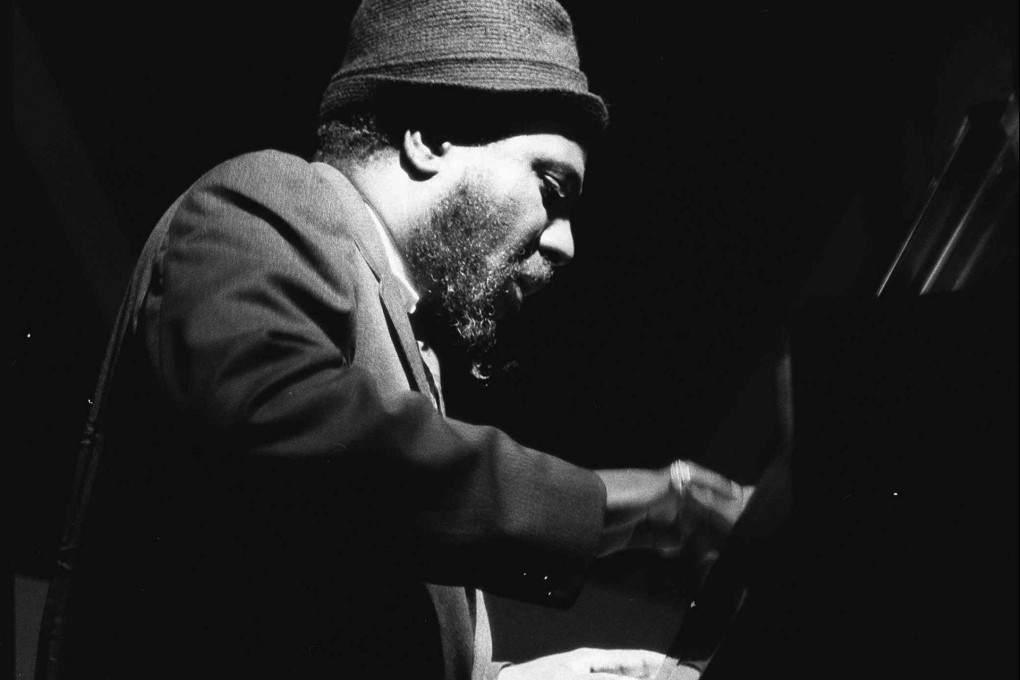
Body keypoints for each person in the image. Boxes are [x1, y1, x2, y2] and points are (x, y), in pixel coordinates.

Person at [36, 1, 751, 678]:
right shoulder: (269, 200)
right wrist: (624, 505)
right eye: (551, 187)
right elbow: (278, 425)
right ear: (432, 135)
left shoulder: (405, 345)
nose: (564, 243)